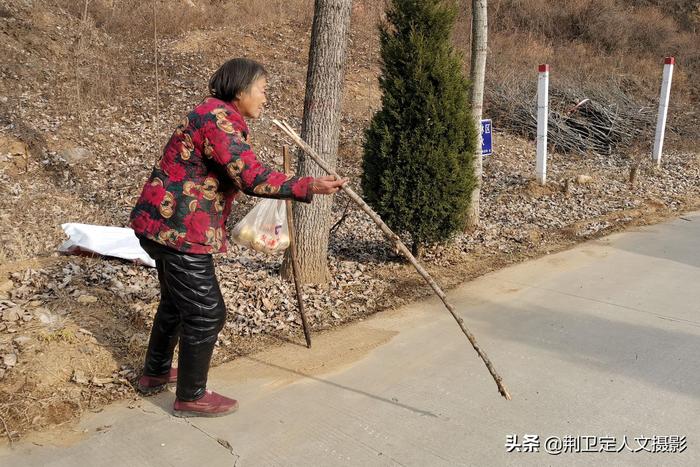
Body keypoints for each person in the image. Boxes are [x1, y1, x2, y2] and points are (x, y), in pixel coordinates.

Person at [129, 58, 345, 417]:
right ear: (241, 89)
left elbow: (241, 171)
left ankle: (155, 373)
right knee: (206, 314)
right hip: (181, 231)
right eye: (262, 90)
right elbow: (251, 176)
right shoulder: (218, 119)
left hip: (162, 226)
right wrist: (309, 185)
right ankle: (191, 395)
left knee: (176, 304)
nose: (265, 98)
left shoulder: (213, 113)